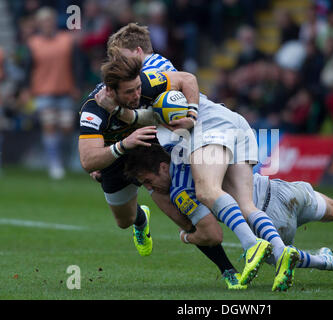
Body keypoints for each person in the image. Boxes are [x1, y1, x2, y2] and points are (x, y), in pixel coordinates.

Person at [101, 23, 300, 292]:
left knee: (196, 194)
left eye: (121, 57)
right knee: (236, 203)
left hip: (204, 134)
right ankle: (289, 254)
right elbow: (150, 116)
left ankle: (248, 249)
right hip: (210, 131)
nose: (119, 65)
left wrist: (190, 114)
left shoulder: (149, 71)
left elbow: (186, 83)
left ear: (138, 51)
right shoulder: (144, 75)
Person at [123, 144, 333, 271]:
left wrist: (186, 237)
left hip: (264, 221)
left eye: (148, 181)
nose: (150, 188)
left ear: (163, 167)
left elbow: (211, 233)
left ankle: (326, 263)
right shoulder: (195, 148)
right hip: (280, 189)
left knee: (276, 257)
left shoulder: (178, 191)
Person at [24, 7, 82, 179]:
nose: (47, 24)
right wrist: (26, 89)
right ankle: (54, 164)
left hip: (65, 89)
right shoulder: (33, 43)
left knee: (66, 127)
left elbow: (77, 64)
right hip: (43, 91)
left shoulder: (67, 40)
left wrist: (77, 85)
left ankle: (64, 159)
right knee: (49, 126)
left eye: (49, 21)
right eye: (44, 22)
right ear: (40, 24)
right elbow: (28, 68)